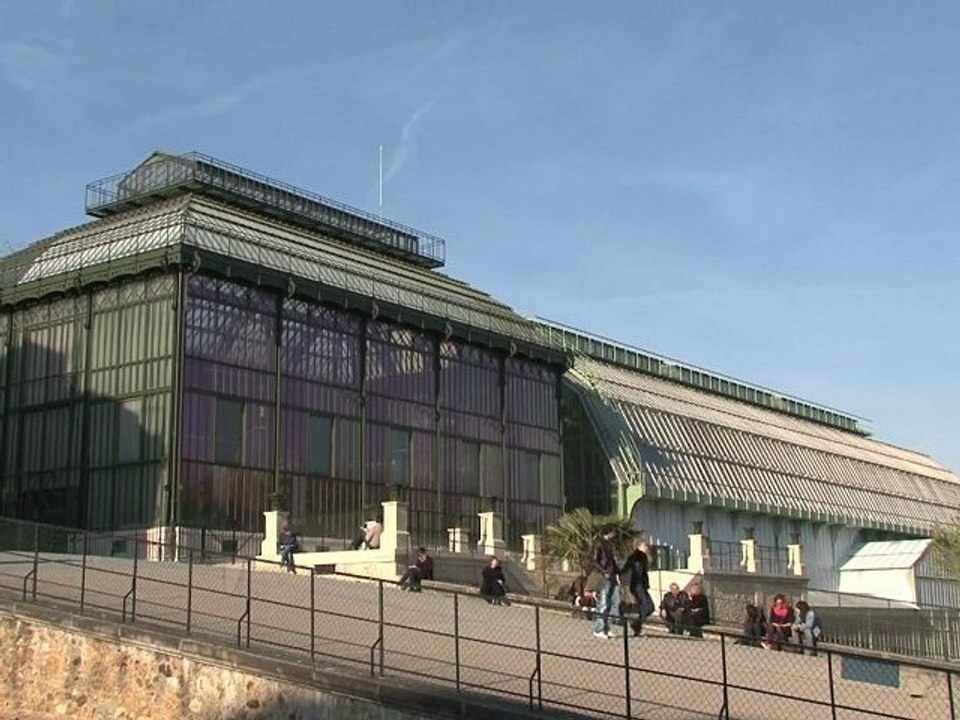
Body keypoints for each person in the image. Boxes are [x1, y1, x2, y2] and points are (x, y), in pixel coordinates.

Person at [590, 529, 621, 639]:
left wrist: (617, 572)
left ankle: (607, 628)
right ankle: (599, 629)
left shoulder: (610, 545)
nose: (615, 535)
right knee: (603, 603)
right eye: (614, 533)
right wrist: (604, 571)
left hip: (612, 575)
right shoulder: (599, 543)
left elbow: (612, 561)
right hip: (604, 576)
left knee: (614, 602)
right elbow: (594, 560)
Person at [623, 540, 652, 637]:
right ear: (639, 546)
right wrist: (628, 588)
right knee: (645, 606)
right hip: (636, 584)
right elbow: (631, 572)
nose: (647, 548)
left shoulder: (642, 558)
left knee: (648, 607)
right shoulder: (636, 557)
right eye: (645, 546)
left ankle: (636, 626)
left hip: (641, 584)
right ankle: (636, 626)